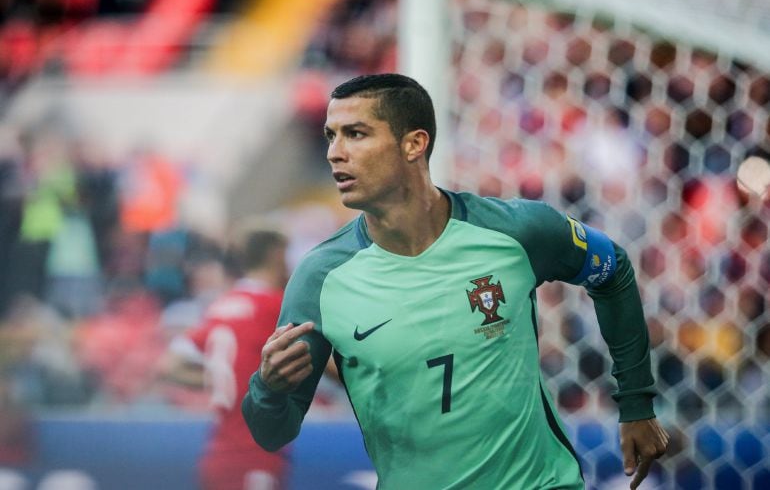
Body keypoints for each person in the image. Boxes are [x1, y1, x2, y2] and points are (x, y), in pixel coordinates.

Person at [242, 73, 669, 490]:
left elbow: (614, 271)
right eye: (330, 136)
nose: (335, 152)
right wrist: (269, 389)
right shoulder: (320, 278)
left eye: (355, 134)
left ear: (414, 143)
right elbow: (271, 434)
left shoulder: (518, 232)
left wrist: (636, 405)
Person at [159, 227, 291, 490]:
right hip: (255, 452)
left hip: (217, 451)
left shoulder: (221, 306)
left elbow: (168, 366)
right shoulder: (275, 306)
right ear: (276, 256)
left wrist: (222, 376)